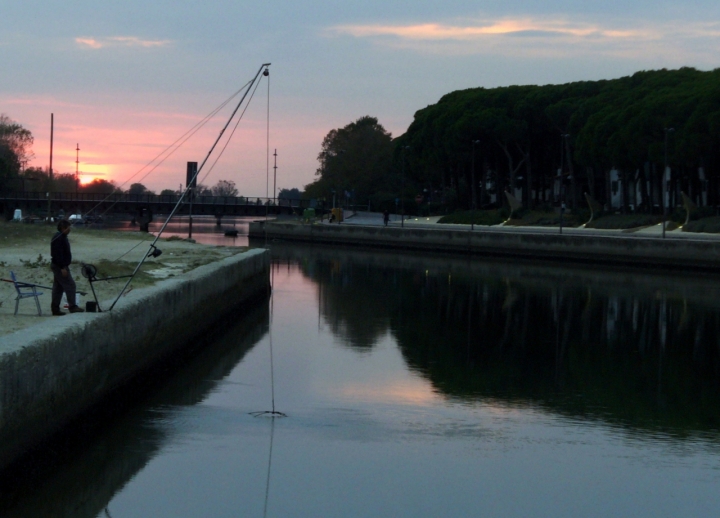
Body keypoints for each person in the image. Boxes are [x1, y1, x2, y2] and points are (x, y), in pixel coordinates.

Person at [50, 219, 84, 316]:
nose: (69, 230)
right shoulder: (58, 238)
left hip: (60, 265)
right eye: (68, 228)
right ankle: (72, 306)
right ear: (62, 228)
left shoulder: (62, 237)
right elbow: (57, 254)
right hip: (59, 266)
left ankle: (55, 309)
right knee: (70, 285)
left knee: (58, 288)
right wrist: (62, 267)